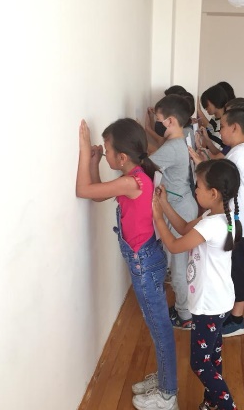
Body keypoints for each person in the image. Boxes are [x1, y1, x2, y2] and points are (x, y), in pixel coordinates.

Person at [75, 119, 178, 410]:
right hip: (148, 260)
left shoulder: (131, 182)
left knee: (160, 329)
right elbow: (97, 193)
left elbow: (83, 190)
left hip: (145, 264)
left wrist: (83, 149)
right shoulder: (135, 176)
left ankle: (168, 395)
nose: (104, 153)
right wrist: (95, 162)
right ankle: (165, 379)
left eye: (107, 150)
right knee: (158, 328)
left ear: (122, 157)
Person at [152, 159, 241, 410]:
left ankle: (227, 406)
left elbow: (174, 245)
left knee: (200, 363)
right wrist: (165, 204)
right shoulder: (218, 216)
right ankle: (212, 403)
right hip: (220, 300)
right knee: (213, 356)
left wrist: (158, 217)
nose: (195, 190)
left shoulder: (211, 224)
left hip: (209, 304)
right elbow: (182, 228)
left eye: (198, 186)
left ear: (213, 193)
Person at [189, 108, 244, 337]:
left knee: (237, 268)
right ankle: (231, 314)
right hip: (234, 219)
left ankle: (237, 319)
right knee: (232, 266)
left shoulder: (240, 154)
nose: (221, 131)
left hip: (236, 221)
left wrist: (202, 165)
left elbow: (222, 180)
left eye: (223, 127)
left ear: (235, 127)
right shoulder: (239, 151)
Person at [151, 95, 199, 329]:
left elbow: (145, 166)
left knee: (178, 269)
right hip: (182, 204)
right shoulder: (179, 140)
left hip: (179, 208)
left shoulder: (171, 147)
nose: (156, 123)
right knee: (180, 265)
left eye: (158, 119)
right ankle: (184, 307)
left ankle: (185, 315)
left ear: (170, 121)